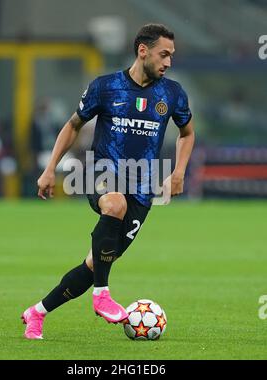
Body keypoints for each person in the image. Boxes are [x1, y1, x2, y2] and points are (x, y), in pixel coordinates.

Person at [22, 23, 195, 340]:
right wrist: (50, 169)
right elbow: (73, 126)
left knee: (95, 263)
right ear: (143, 50)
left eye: (171, 56)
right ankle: (102, 294)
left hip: (143, 188)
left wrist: (180, 171)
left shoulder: (172, 94)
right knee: (115, 204)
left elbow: (187, 132)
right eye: (164, 54)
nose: (168, 62)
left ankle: (37, 313)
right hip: (101, 172)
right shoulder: (105, 87)